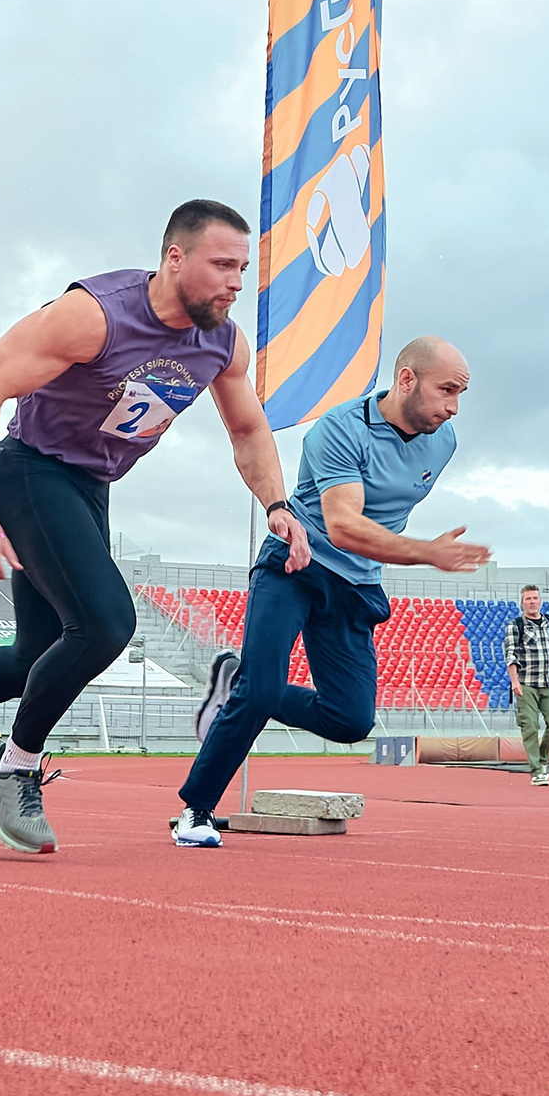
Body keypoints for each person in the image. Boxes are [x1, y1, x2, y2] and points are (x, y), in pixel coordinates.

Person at [0, 200, 312, 853]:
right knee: (107, 623)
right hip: (30, 470)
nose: (236, 282)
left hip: (90, 488)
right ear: (174, 258)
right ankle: (15, 768)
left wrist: (277, 505)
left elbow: (248, 427)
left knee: (33, 659)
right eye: (223, 264)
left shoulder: (222, 343)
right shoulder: (96, 314)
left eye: (243, 268)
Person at [169, 338, 486, 846]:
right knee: (262, 688)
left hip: (355, 586)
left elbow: (383, 517)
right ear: (406, 379)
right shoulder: (338, 431)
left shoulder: (442, 441)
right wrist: (426, 552)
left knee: (350, 720)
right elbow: (343, 526)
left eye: (461, 394)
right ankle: (197, 810)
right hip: (297, 564)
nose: (453, 407)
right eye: (446, 390)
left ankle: (241, 684)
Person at [503, 583, 549, 788]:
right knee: (530, 727)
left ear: (540, 601)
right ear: (522, 603)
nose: (532, 602)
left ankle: (543, 759)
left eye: (535, 598)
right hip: (526, 684)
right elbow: (511, 654)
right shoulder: (515, 625)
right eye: (528, 599)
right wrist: (514, 681)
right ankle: (536, 771)